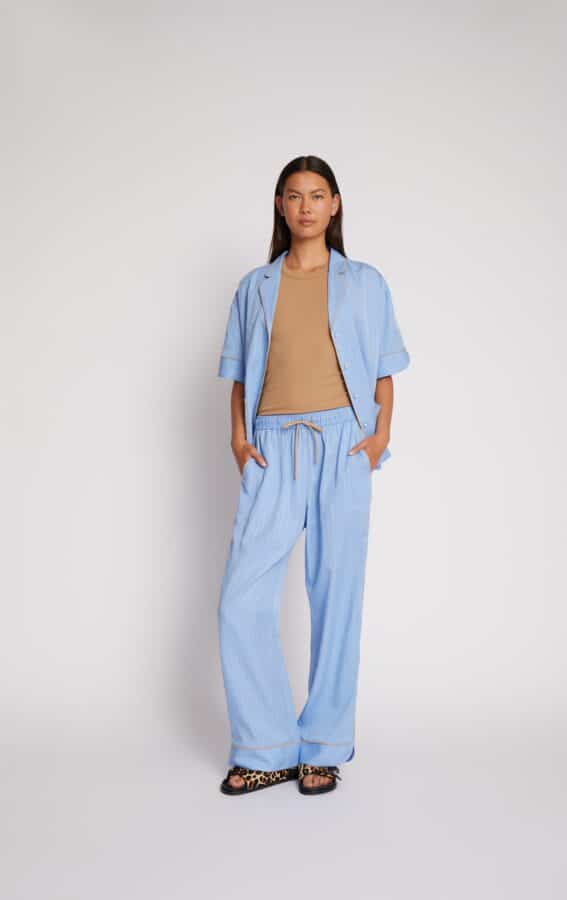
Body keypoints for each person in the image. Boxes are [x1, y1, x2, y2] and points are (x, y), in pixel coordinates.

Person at [216, 155, 410, 796]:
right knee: (241, 598)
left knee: (336, 595)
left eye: (317, 195)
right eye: (295, 195)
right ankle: (266, 746)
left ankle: (322, 746)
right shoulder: (255, 287)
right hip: (272, 447)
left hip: (343, 444)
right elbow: (239, 375)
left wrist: (378, 437)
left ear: (335, 205)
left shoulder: (365, 282)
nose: (306, 206)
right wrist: (239, 439)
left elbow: (383, 369)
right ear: (280, 205)